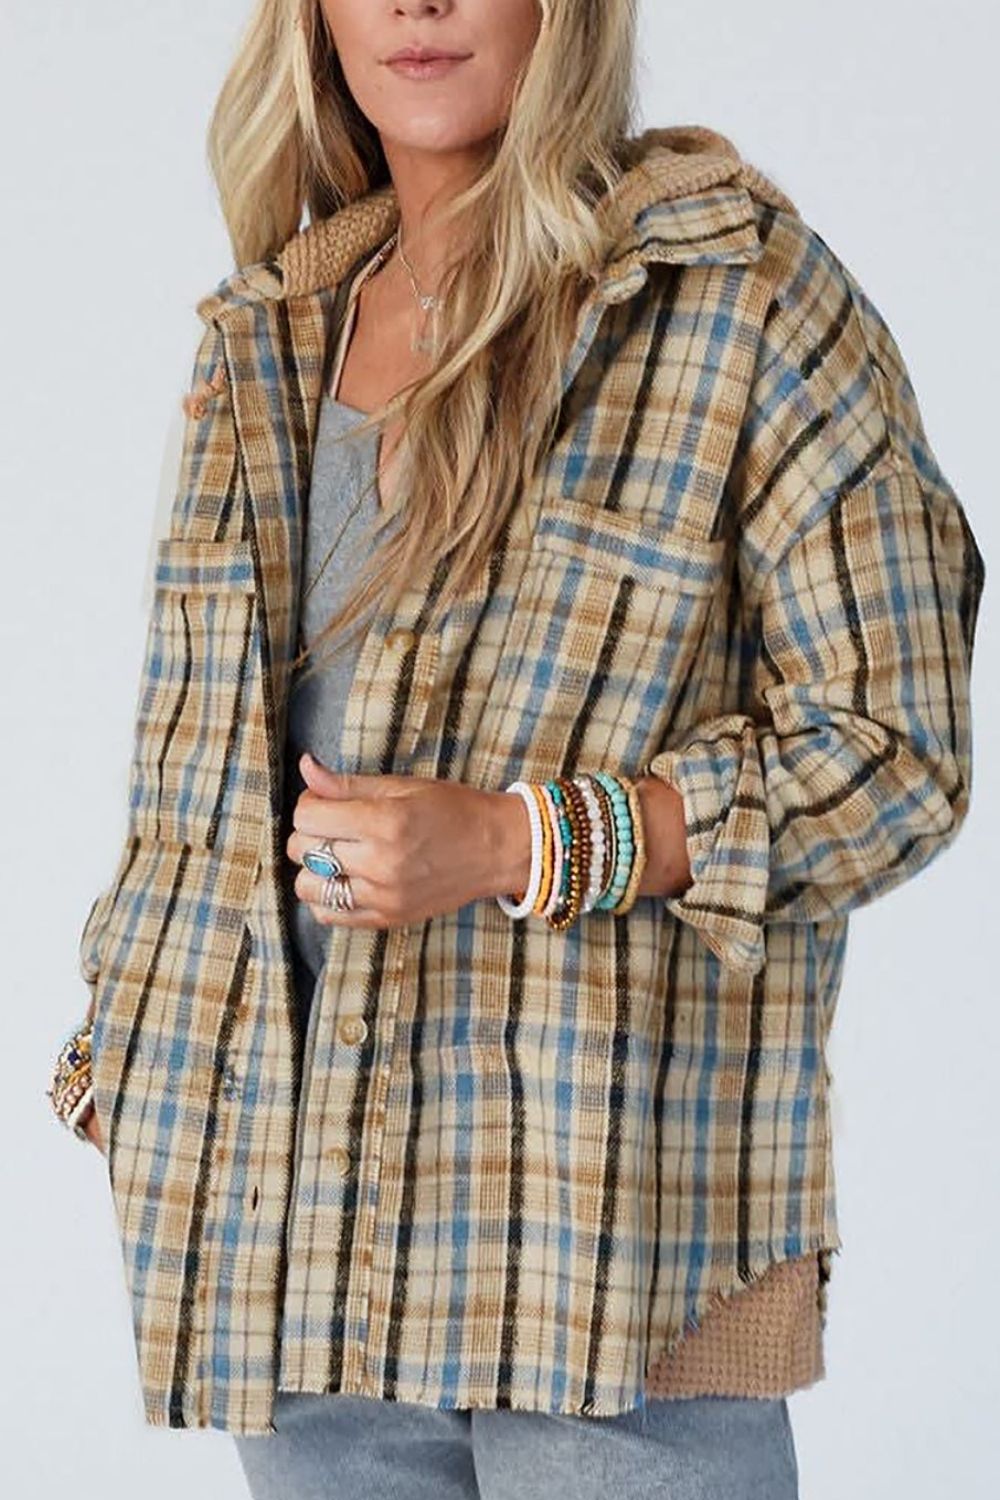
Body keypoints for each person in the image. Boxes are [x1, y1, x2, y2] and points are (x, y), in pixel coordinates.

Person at [47, 2, 985, 1497]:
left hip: (610, 1259)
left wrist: (520, 841)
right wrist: (123, 1055)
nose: (418, 5)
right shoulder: (269, 336)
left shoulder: (737, 299)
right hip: (288, 1246)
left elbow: (894, 751)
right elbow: (200, 777)